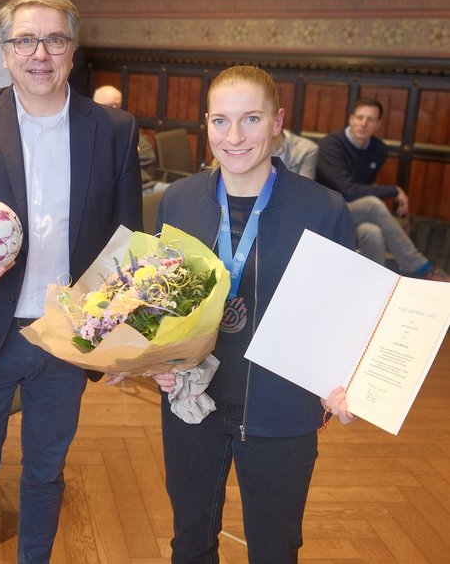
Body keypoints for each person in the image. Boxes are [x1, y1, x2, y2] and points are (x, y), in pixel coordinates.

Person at [0, 0, 142, 563]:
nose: (39, 52)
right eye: (25, 39)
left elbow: (127, 243)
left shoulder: (113, 129)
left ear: (72, 50)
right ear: (5, 49)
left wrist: (122, 340)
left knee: (46, 474)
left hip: (66, 336)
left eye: (55, 39)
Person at [151, 65, 357, 563]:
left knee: (274, 549)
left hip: (281, 410)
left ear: (277, 121)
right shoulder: (176, 201)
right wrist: (147, 357)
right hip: (191, 402)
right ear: (205, 124)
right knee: (189, 543)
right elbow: (158, 301)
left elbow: (350, 315)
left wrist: (352, 378)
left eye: (251, 119)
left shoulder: (324, 209)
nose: (235, 136)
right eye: (220, 121)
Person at [315, 98, 449, 280]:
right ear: (351, 119)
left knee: (373, 233)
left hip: (354, 213)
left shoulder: (379, 150)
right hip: (327, 211)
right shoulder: (330, 145)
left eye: (370, 119)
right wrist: (394, 190)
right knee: (373, 204)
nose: (363, 123)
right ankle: (420, 268)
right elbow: (348, 190)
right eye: (360, 117)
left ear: (378, 124)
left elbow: (364, 187)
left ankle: (374, 285)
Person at [92, 84, 170, 194]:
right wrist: (131, 151)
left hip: (147, 185)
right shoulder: (91, 131)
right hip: (125, 192)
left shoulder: (126, 126)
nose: (115, 110)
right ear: (95, 104)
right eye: (110, 105)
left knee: (183, 192)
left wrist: (121, 155)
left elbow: (149, 156)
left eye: (118, 106)